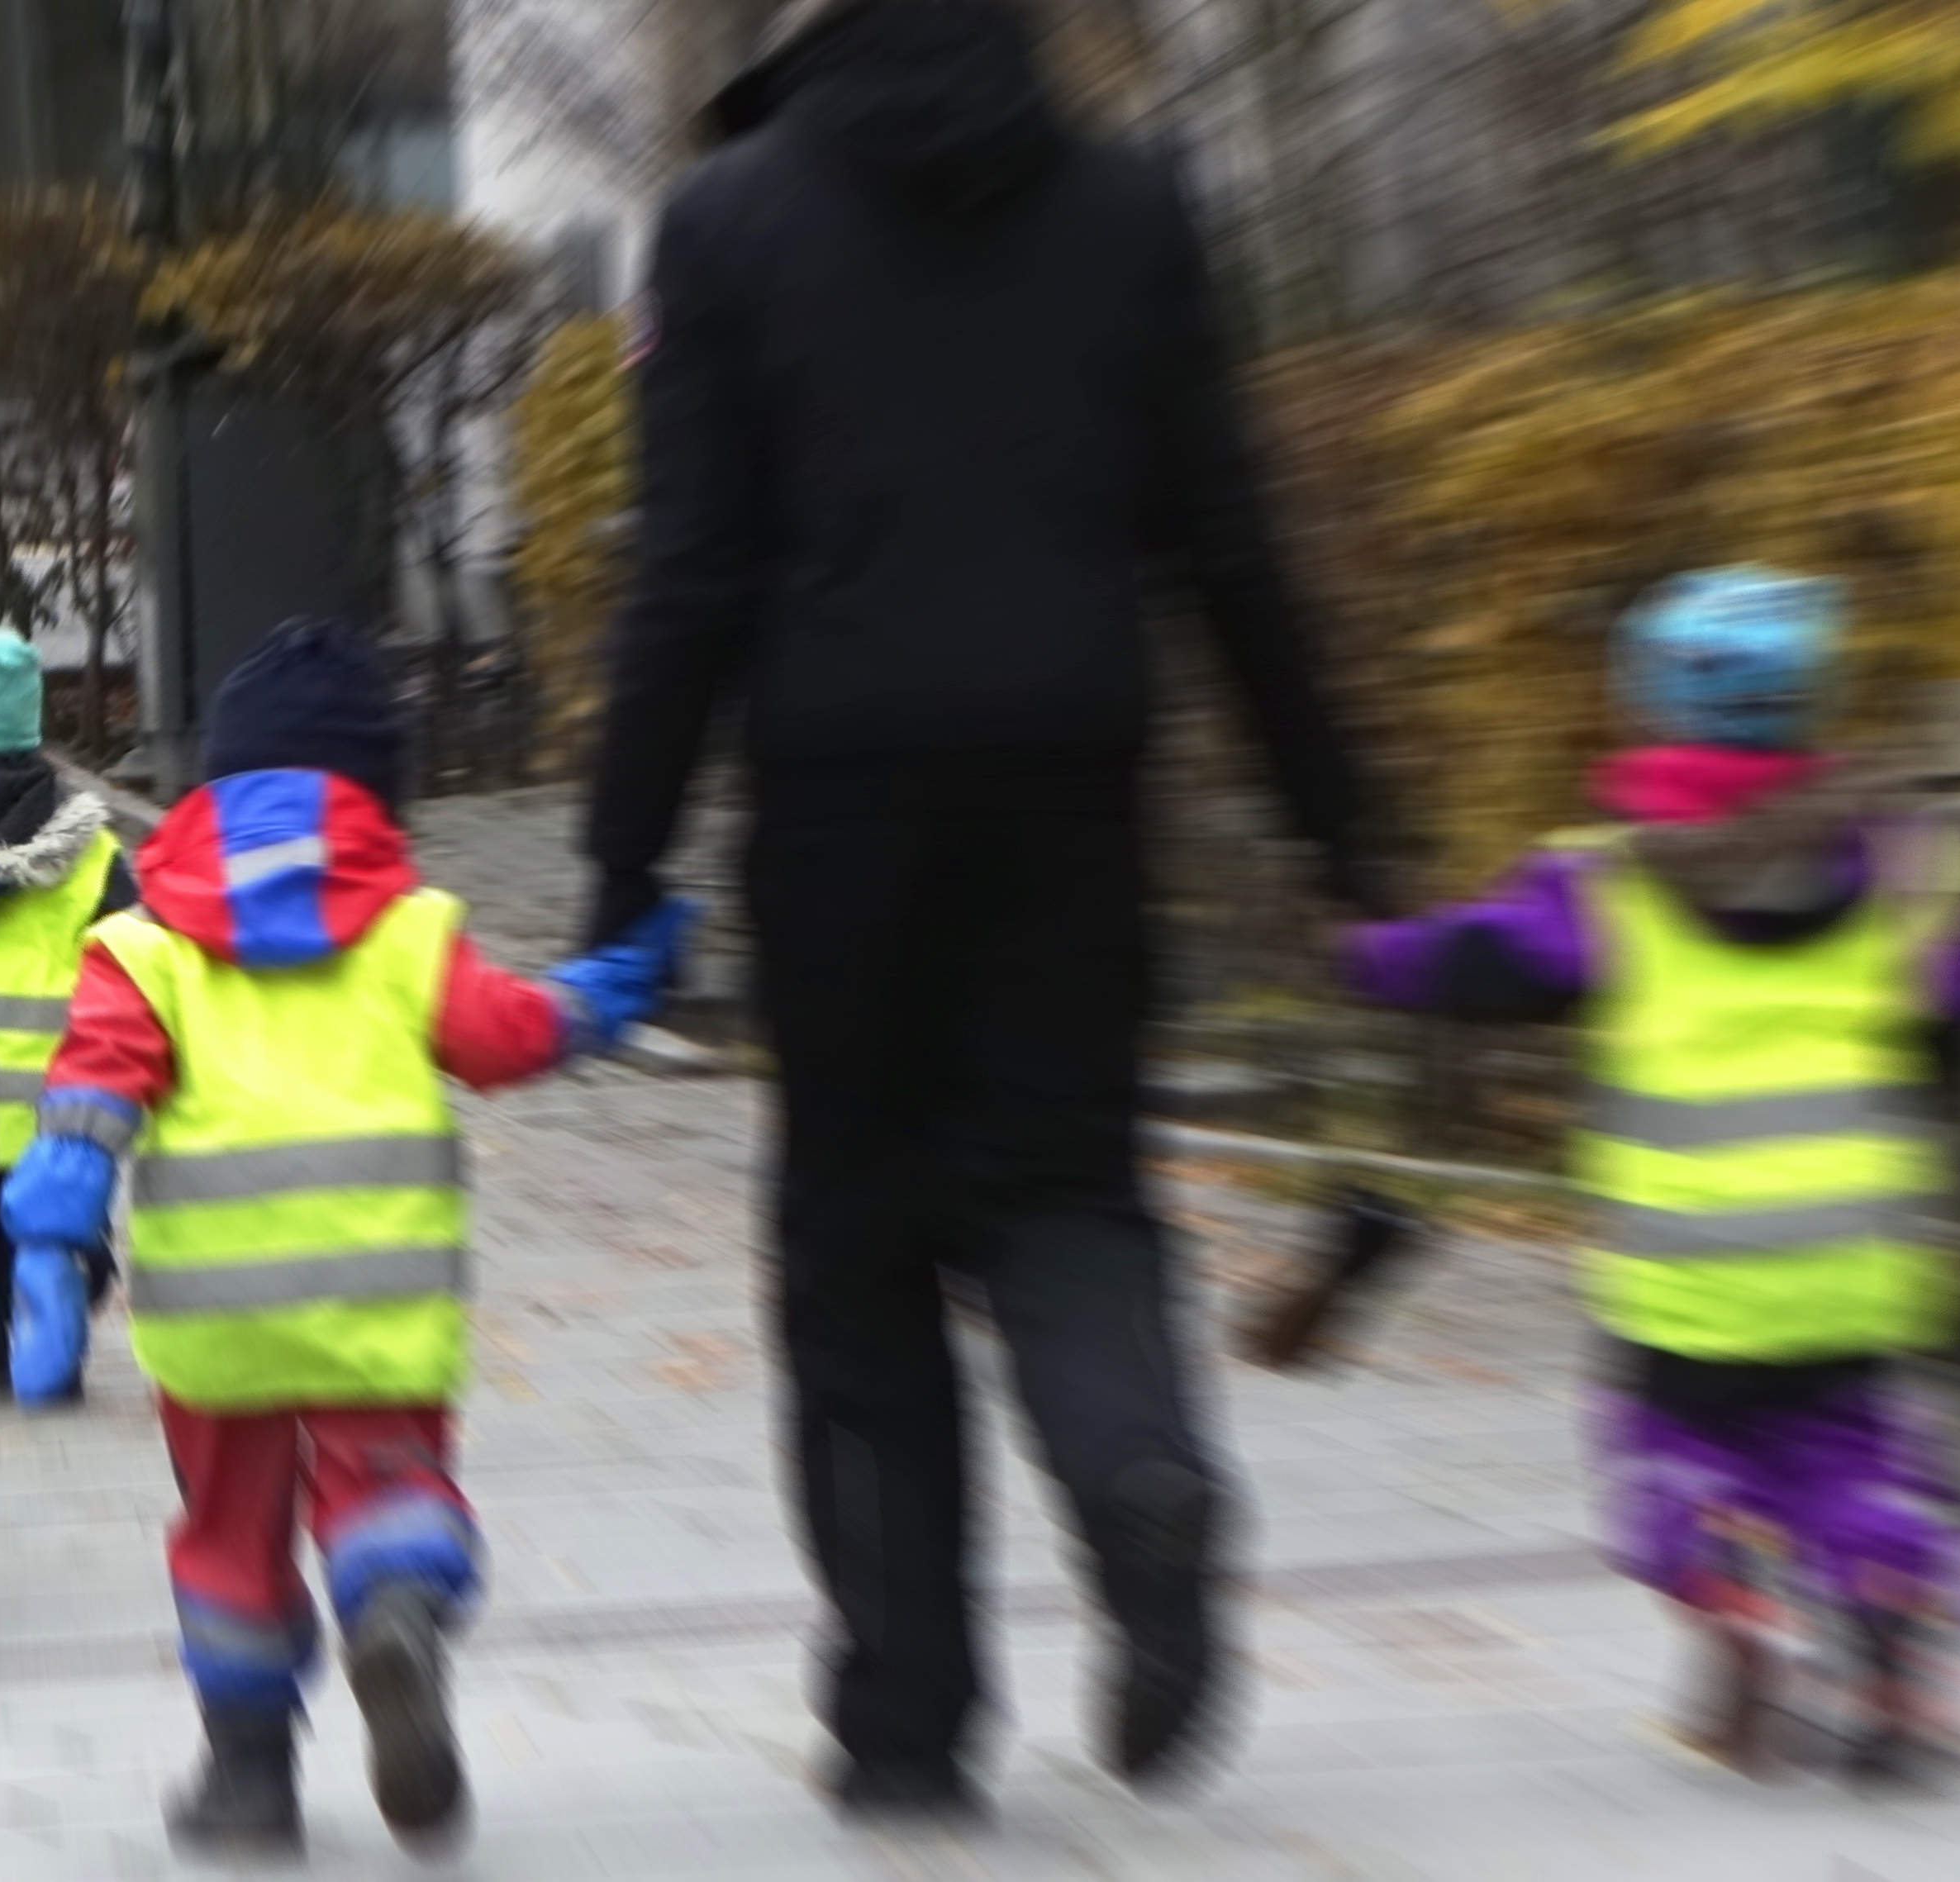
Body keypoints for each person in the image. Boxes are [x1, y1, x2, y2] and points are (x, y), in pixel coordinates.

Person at [583, 0, 1386, 1813]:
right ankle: (1139, 1474)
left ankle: (906, 1712)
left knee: (857, 1245)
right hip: (1074, 786)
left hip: (841, 797)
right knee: (1067, 1183)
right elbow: (1231, 544)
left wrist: (625, 855)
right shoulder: (1135, 206)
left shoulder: (728, 223)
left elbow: (688, 572)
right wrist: (1347, 836)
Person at [2, 620, 691, 1856]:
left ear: (211, 784)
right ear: (377, 794)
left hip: (215, 1325)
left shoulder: (145, 947)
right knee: (387, 1485)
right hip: (380, 1302)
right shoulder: (409, 931)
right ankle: (396, 1607)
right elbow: (508, 1036)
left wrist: (54, 1235)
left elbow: (91, 1092)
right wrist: (608, 987)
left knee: (229, 1532)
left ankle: (249, 1778)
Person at [1344, 568, 1960, 1783]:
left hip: (1686, 1276)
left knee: (1670, 1445)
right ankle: (1896, 1608)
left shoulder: (1607, 878)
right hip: (1855, 1264)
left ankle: (1722, 1564)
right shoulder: (1906, 862)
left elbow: (1480, 963)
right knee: (1852, 1453)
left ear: (1652, 700)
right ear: (1821, 693)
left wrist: (1371, 954)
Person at [0, 626, 139, 1404]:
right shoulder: (94, 855)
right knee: (60, 1214)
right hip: (61, 1102)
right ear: (32, 729)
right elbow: (138, 964)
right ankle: (59, 1298)